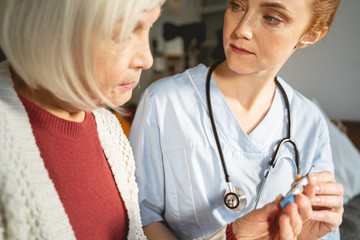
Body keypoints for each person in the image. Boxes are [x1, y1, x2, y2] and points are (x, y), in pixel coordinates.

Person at [129, 0, 344, 239]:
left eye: (271, 17)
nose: (241, 29)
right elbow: (141, 217)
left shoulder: (309, 122)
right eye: (237, 6)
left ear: (310, 35)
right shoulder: (164, 102)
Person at [0, 0, 164, 239]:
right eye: (123, 35)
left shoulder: (108, 129)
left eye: (148, 27)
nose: (146, 59)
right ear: (51, 31)